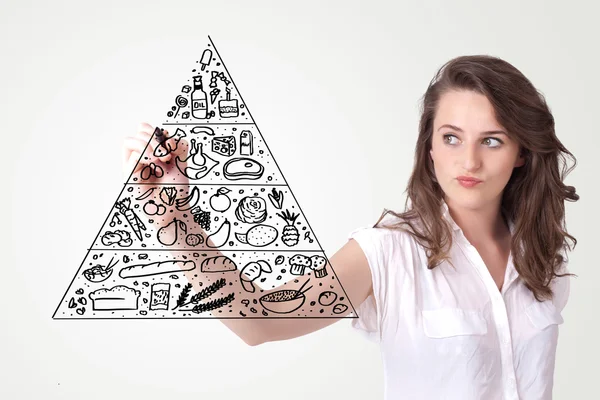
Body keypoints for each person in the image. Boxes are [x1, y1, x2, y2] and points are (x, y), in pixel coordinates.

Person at [122, 55, 579, 399]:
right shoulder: (387, 253)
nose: (470, 160)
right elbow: (257, 321)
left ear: (521, 152)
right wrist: (172, 216)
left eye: (492, 140)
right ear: (430, 147)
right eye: (452, 137)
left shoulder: (542, 263)